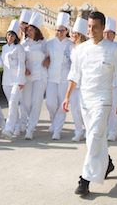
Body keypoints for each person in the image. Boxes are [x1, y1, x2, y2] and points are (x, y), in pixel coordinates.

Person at [62, 11, 117, 196]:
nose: (91, 30)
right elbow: (74, 75)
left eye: (95, 27)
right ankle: (107, 162)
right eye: (89, 26)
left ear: (103, 28)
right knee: (93, 137)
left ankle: (85, 179)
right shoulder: (81, 49)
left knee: (96, 134)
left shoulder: (113, 49)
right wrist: (67, 97)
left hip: (103, 99)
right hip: (85, 99)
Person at [19, 12, 49, 139]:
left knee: (36, 102)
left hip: (41, 76)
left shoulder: (43, 43)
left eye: (31, 30)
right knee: (26, 103)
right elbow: (20, 60)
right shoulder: (23, 44)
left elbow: (49, 56)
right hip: (28, 77)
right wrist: (24, 68)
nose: (29, 32)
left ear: (36, 30)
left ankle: (30, 129)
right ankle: (31, 121)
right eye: (28, 30)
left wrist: (48, 60)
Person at [45, 12, 73, 140]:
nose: (59, 33)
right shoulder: (50, 43)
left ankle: (57, 130)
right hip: (51, 77)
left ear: (66, 31)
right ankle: (54, 121)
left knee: (63, 104)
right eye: (57, 30)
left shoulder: (70, 45)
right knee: (50, 103)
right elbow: (45, 57)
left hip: (64, 78)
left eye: (62, 30)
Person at [1, 20, 26, 139]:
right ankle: (17, 125)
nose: (9, 37)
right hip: (6, 80)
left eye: (12, 35)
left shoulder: (19, 48)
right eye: (8, 34)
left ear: (16, 36)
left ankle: (8, 129)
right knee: (13, 105)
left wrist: (21, 81)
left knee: (12, 103)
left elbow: (21, 65)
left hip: (16, 80)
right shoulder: (5, 47)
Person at [69, 17, 88, 142]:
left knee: (84, 108)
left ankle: (87, 129)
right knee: (74, 108)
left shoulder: (86, 47)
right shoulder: (73, 47)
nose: (72, 35)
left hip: (84, 82)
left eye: (74, 34)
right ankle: (78, 131)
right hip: (73, 81)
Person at [104, 16, 117, 141]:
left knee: (115, 108)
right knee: (104, 109)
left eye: (109, 33)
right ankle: (104, 131)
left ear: (114, 34)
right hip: (103, 84)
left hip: (115, 83)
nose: (106, 35)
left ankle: (113, 132)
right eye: (105, 32)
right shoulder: (99, 46)